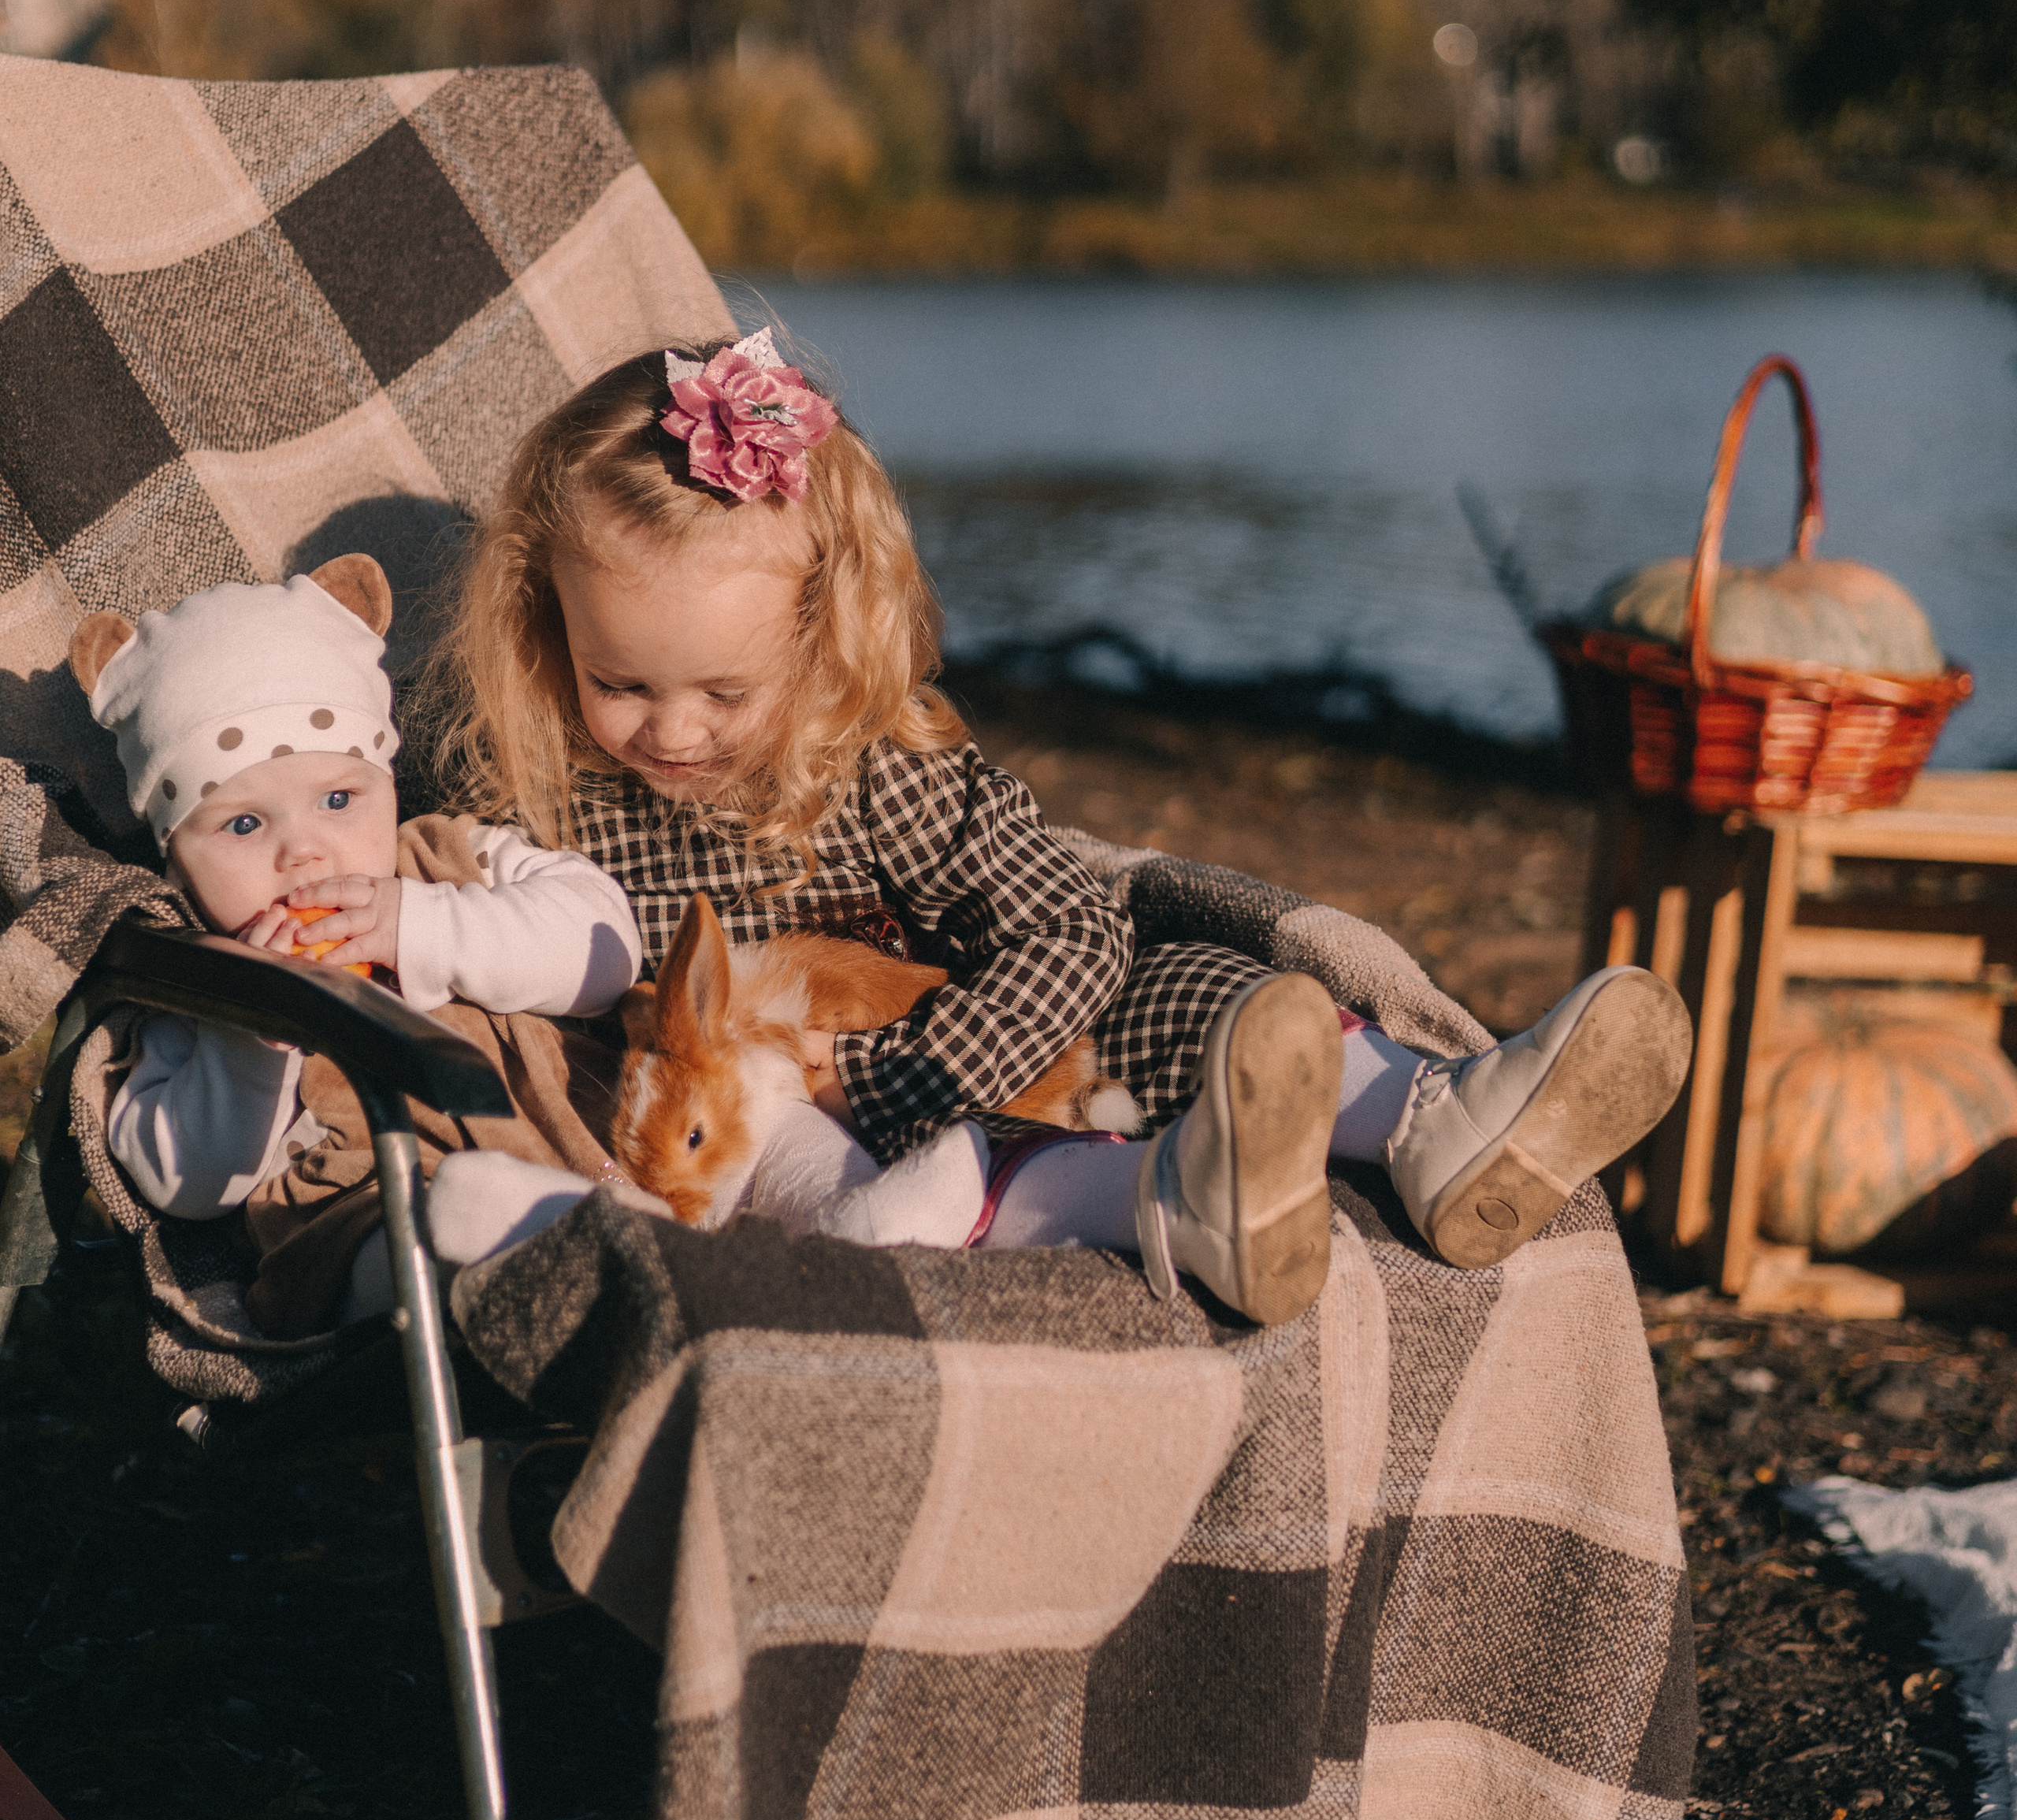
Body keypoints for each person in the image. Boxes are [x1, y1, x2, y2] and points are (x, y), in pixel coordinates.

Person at [419, 331, 1692, 1323]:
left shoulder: (867, 767)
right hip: (828, 1160)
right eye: (621, 684)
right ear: (550, 634)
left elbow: (1072, 926)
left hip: (979, 1050)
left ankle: (1435, 1124)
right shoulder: (553, 808)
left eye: (723, 692)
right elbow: (478, 923)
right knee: (1030, 1123)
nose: (672, 733)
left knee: (1198, 987)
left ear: (814, 641)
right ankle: (1209, 1198)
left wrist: (906, 1070)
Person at [72, 555, 643, 1335]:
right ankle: (554, 1268)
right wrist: (255, 1035)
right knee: (416, 1243)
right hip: (378, 1217)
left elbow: (607, 953)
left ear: (388, 787)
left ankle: (844, 1236)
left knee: (767, 1125)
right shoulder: (201, 982)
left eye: (339, 800)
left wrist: (426, 924)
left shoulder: (452, 860)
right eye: (243, 824)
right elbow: (184, 1182)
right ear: (174, 859)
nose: (305, 855)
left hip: (604, 1150)